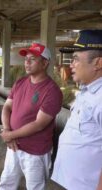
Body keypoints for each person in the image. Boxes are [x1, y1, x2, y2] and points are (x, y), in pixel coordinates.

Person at [0, 43, 63, 190]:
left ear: (45, 63)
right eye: (26, 58)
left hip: (35, 152)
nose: (27, 62)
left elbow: (39, 123)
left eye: (32, 59)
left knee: (35, 187)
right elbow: (7, 107)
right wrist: (7, 131)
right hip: (13, 146)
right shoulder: (20, 82)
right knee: (6, 184)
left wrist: (10, 135)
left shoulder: (52, 91)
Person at [51, 30, 102, 190]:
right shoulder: (86, 91)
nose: (70, 65)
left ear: (98, 63)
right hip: (71, 181)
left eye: (76, 59)